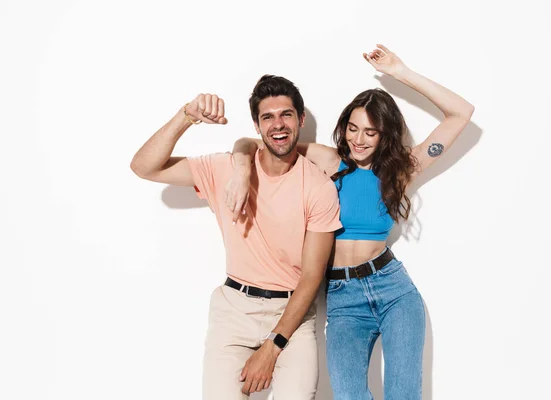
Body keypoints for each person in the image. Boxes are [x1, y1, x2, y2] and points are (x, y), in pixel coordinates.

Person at [227, 44, 475, 399]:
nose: (358, 140)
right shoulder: (329, 162)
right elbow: (254, 143)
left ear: (385, 135)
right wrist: (238, 169)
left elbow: (461, 114)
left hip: (393, 291)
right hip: (343, 300)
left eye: (370, 133)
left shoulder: (400, 170)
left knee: (403, 394)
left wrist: (401, 73)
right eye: (353, 129)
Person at [130, 75, 342, 399]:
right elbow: (144, 166)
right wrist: (186, 115)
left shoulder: (318, 186)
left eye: (286, 114)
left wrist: (272, 348)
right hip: (234, 311)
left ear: (300, 119)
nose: (278, 124)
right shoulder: (226, 168)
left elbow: (312, 278)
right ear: (257, 126)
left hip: (293, 317)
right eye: (267, 117)